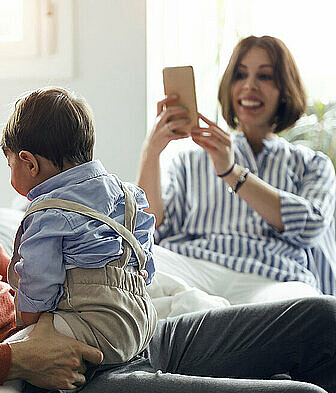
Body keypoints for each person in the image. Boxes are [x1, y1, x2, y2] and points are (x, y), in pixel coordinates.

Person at [0, 34, 336, 393]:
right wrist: (13, 361)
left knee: (323, 319)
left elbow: (26, 271)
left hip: (113, 335)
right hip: (68, 381)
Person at [138, 35, 336, 304]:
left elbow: (310, 225)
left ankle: (205, 313)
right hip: (195, 266)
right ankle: (207, 311)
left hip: (272, 276)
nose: (250, 86)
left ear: (285, 90)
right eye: (240, 75)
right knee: (133, 273)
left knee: (310, 306)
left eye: (264, 77)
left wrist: (232, 172)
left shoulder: (313, 164)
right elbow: (148, 228)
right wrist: (151, 152)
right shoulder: (190, 161)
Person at [0, 87, 157, 366]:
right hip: (142, 317)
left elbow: (40, 279)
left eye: (10, 164)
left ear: (28, 163)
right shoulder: (128, 193)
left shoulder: (48, 212)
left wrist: (31, 322)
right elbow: (145, 256)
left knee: (12, 355)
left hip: (94, 323)